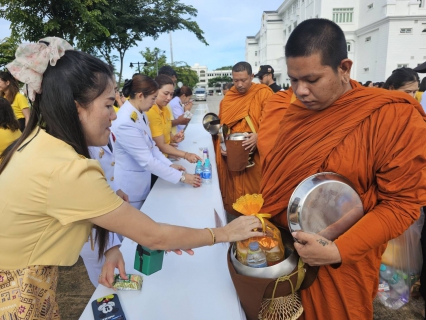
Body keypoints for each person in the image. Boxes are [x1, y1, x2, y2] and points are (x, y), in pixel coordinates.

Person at [0, 37, 263, 319]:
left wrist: (112, 247)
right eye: (108, 104)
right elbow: (154, 236)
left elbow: (84, 209)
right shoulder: (67, 168)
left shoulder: (41, 145)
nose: (114, 116)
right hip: (17, 293)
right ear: (77, 107)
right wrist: (223, 233)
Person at [258, 19, 426, 320]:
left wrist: (337, 251)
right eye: (294, 80)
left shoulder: (391, 116)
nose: (300, 91)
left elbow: (403, 205)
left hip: (343, 261)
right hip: (283, 252)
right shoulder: (296, 111)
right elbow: (276, 176)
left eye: (311, 79)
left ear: (344, 68)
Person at [112, 74, 201, 209]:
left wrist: (169, 166)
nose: (154, 103)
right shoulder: (126, 121)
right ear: (140, 95)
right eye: (153, 98)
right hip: (130, 189)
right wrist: (181, 177)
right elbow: (147, 160)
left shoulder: (139, 114)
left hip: (142, 183)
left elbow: (152, 146)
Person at [215, 61, 273, 215]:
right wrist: (223, 145)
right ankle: (238, 214)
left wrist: (259, 136)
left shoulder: (263, 93)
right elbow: (222, 125)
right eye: (235, 81)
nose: (239, 84)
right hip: (233, 152)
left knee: (256, 186)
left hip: (256, 152)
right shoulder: (229, 98)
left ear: (252, 77)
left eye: (243, 80)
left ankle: (257, 216)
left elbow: (273, 122)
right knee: (235, 184)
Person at [80, 132, 129, 287]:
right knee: (106, 285)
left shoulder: (100, 131)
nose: (113, 114)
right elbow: (88, 203)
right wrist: (111, 246)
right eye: (107, 106)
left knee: (118, 274)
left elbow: (105, 174)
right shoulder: (76, 146)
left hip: (109, 215)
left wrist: (116, 189)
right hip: (93, 232)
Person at [146, 75, 200, 162]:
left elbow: (167, 131)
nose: (169, 98)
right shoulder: (152, 111)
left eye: (171, 94)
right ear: (155, 91)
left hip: (165, 156)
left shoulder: (165, 108)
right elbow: (161, 145)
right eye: (166, 93)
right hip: (156, 160)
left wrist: (174, 138)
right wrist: (186, 155)